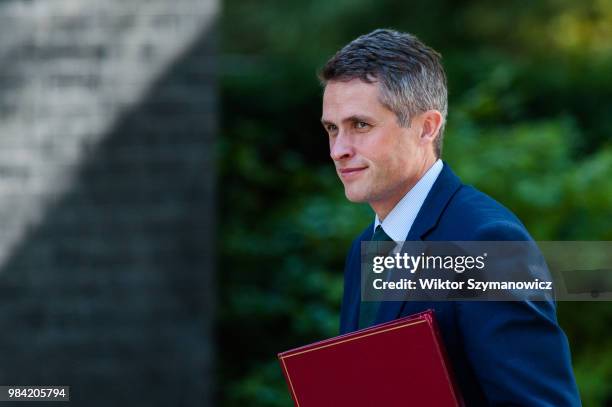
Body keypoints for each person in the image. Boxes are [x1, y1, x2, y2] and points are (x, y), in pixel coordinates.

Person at [319, 29, 581, 406]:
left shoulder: (487, 243)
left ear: (427, 127)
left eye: (361, 125)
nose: (339, 150)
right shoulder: (366, 246)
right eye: (332, 129)